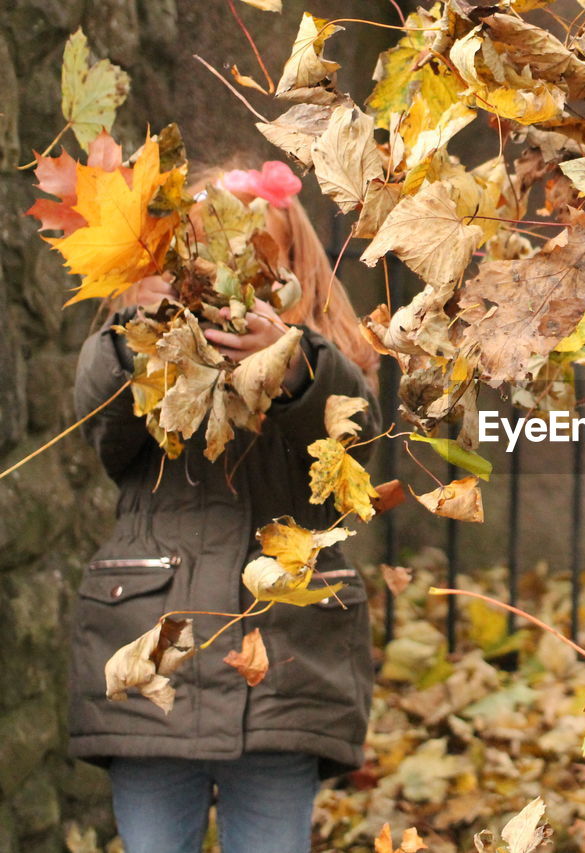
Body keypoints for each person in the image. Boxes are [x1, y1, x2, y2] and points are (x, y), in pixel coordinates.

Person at [68, 161, 382, 853]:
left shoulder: (327, 354)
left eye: (254, 257)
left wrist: (292, 365)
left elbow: (354, 442)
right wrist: (136, 336)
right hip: (154, 658)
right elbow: (102, 430)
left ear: (290, 264)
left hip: (283, 669)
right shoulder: (136, 345)